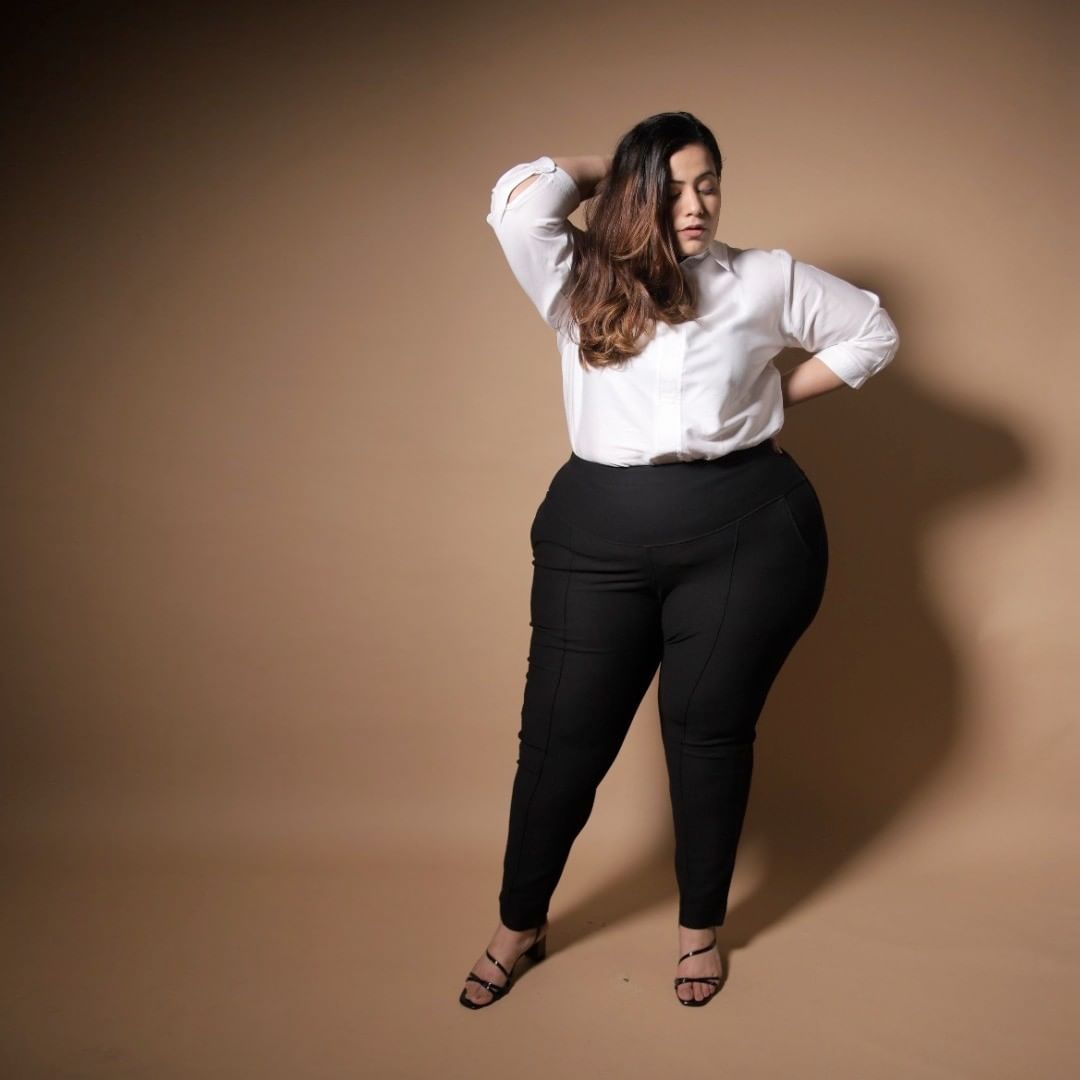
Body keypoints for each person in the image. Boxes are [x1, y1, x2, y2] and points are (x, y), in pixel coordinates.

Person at [459, 111, 899, 1009]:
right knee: (560, 742)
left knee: (707, 736)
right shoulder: (577, 272)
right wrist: (618, 165)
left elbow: (874, 331)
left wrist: (771, 396)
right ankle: (518, 924)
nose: (693, 205)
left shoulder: (762, 278)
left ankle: (700, 930)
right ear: (632, 193)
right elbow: (515, 207)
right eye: (669, 189)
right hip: (596, 533)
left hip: (746, 533)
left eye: (707, 185)